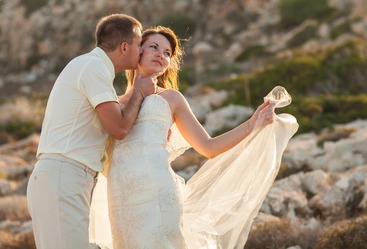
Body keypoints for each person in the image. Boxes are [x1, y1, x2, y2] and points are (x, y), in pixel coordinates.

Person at [89, 26, 299, 249]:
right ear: (136, 50)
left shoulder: (171, 98)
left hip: (158, 192)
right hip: (120, 197)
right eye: (154, 47)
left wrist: (251, 124)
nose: (162, 54)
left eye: (168, 53)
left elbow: (208, 147)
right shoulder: (112, 101)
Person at [26, 14, 159, 249]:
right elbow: (118, 128)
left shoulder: (91, 67)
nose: (141, 51)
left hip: (65, 178)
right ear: (124, 47)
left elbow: (110, 108)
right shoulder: (94, 68)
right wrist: (138, 92)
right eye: (140, 44)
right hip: (63, 177)